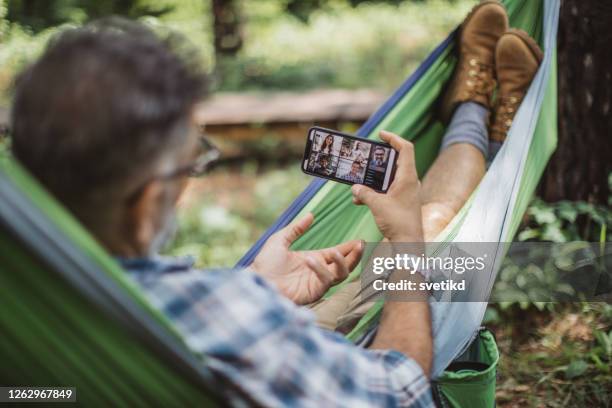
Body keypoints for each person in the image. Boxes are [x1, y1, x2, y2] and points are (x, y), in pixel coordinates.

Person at [10, 1, 542, 405]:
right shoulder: (231, 320)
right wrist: (405, 242)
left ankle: (483, 118)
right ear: (149, 198)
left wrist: (258, 289)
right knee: (432, 234)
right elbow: (401, 386)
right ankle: (483, 116)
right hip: (294, 373)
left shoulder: (20, 299)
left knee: (393, 257)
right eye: (192, 162)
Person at [311, 1, 542, 334]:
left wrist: (264, 277)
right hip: (322, 340)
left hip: (294, 325)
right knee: (433, 222)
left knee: (422, 239)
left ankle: (477, 117)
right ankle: (478, 116)